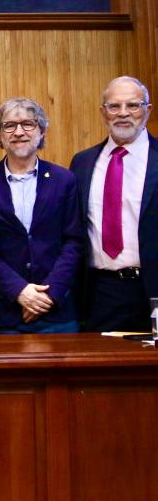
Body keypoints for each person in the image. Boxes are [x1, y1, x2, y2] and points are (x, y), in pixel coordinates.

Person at [0, 98, 82, 333]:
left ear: (42, 130)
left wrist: (49, 294)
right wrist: (19, 291)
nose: (18, 132)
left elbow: (74, 241)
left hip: (57, 312)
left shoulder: (64, 180)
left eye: (28, 124)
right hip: (5, 313)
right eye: (9, 125)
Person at [70, 76, 157, 332]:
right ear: (103, 112)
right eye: (114, 106)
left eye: (133, 105)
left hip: (152, 289)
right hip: (99, 292)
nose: (123, 114)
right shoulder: (83, 163)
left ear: (147, 110)